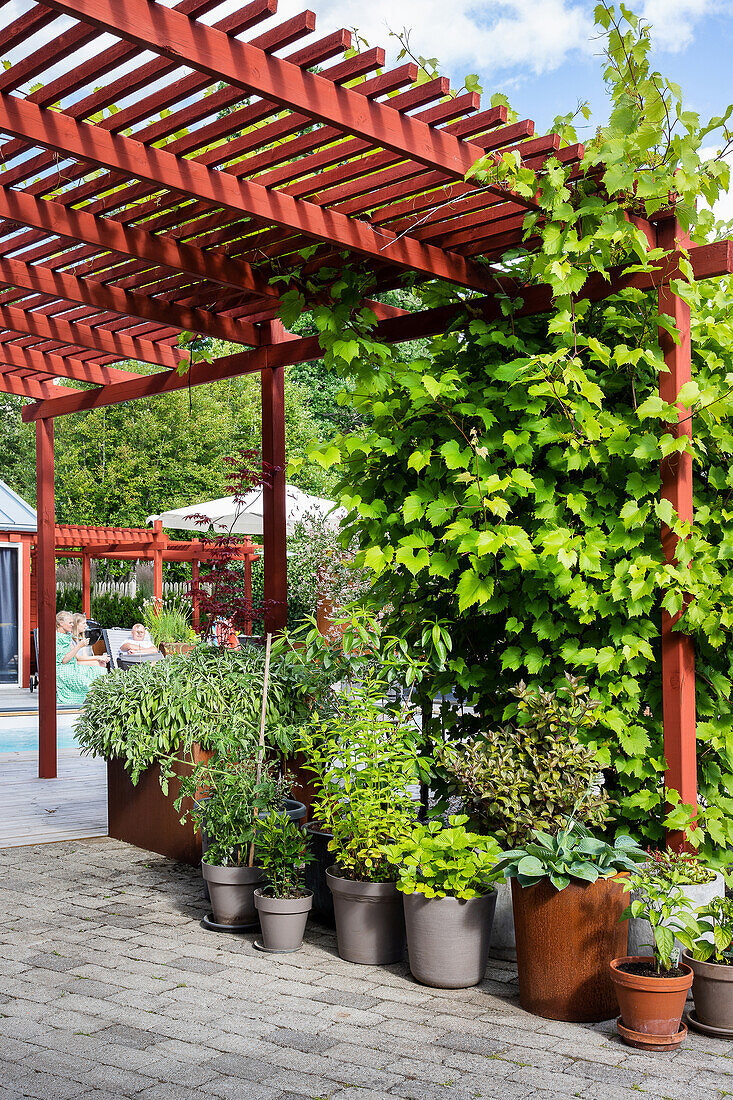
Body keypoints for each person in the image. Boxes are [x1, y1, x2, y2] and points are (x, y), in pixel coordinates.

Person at [55, 610, 106, 707]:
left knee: (98, 671)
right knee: (87, 682)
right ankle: (92, 703)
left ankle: (98, 702)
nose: (72, 625)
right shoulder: (56, 638)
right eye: (70, 623)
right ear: (61, 623)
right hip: (62, 669)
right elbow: (64, 660)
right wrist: (79, 646)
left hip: (72, 666)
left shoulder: (66, 636)